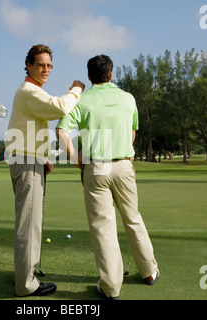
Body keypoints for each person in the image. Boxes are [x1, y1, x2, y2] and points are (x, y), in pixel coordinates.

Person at [56, 54, 159, 300]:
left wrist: (75, 159)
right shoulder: (128, 98)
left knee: (104, 227)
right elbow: (132, 132)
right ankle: (149, 272)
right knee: (133, 218)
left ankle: (111, 287)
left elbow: (61, 131)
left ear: (90, 76)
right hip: (124, 166)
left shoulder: (81, 100)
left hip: (96, 168)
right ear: (111, 74)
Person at [5, 44, 85, 297]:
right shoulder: (29, 91)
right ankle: (26, 285)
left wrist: (45, 156)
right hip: (26, 162)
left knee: (31, 221)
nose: (46, 69)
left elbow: (35, 128)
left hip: (31, 159)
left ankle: (25, 273)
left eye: (49, 65)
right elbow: (61, 107)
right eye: (41, 64)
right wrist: (77, 89)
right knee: (29, 224)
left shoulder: (32, 91)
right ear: (28, 65)